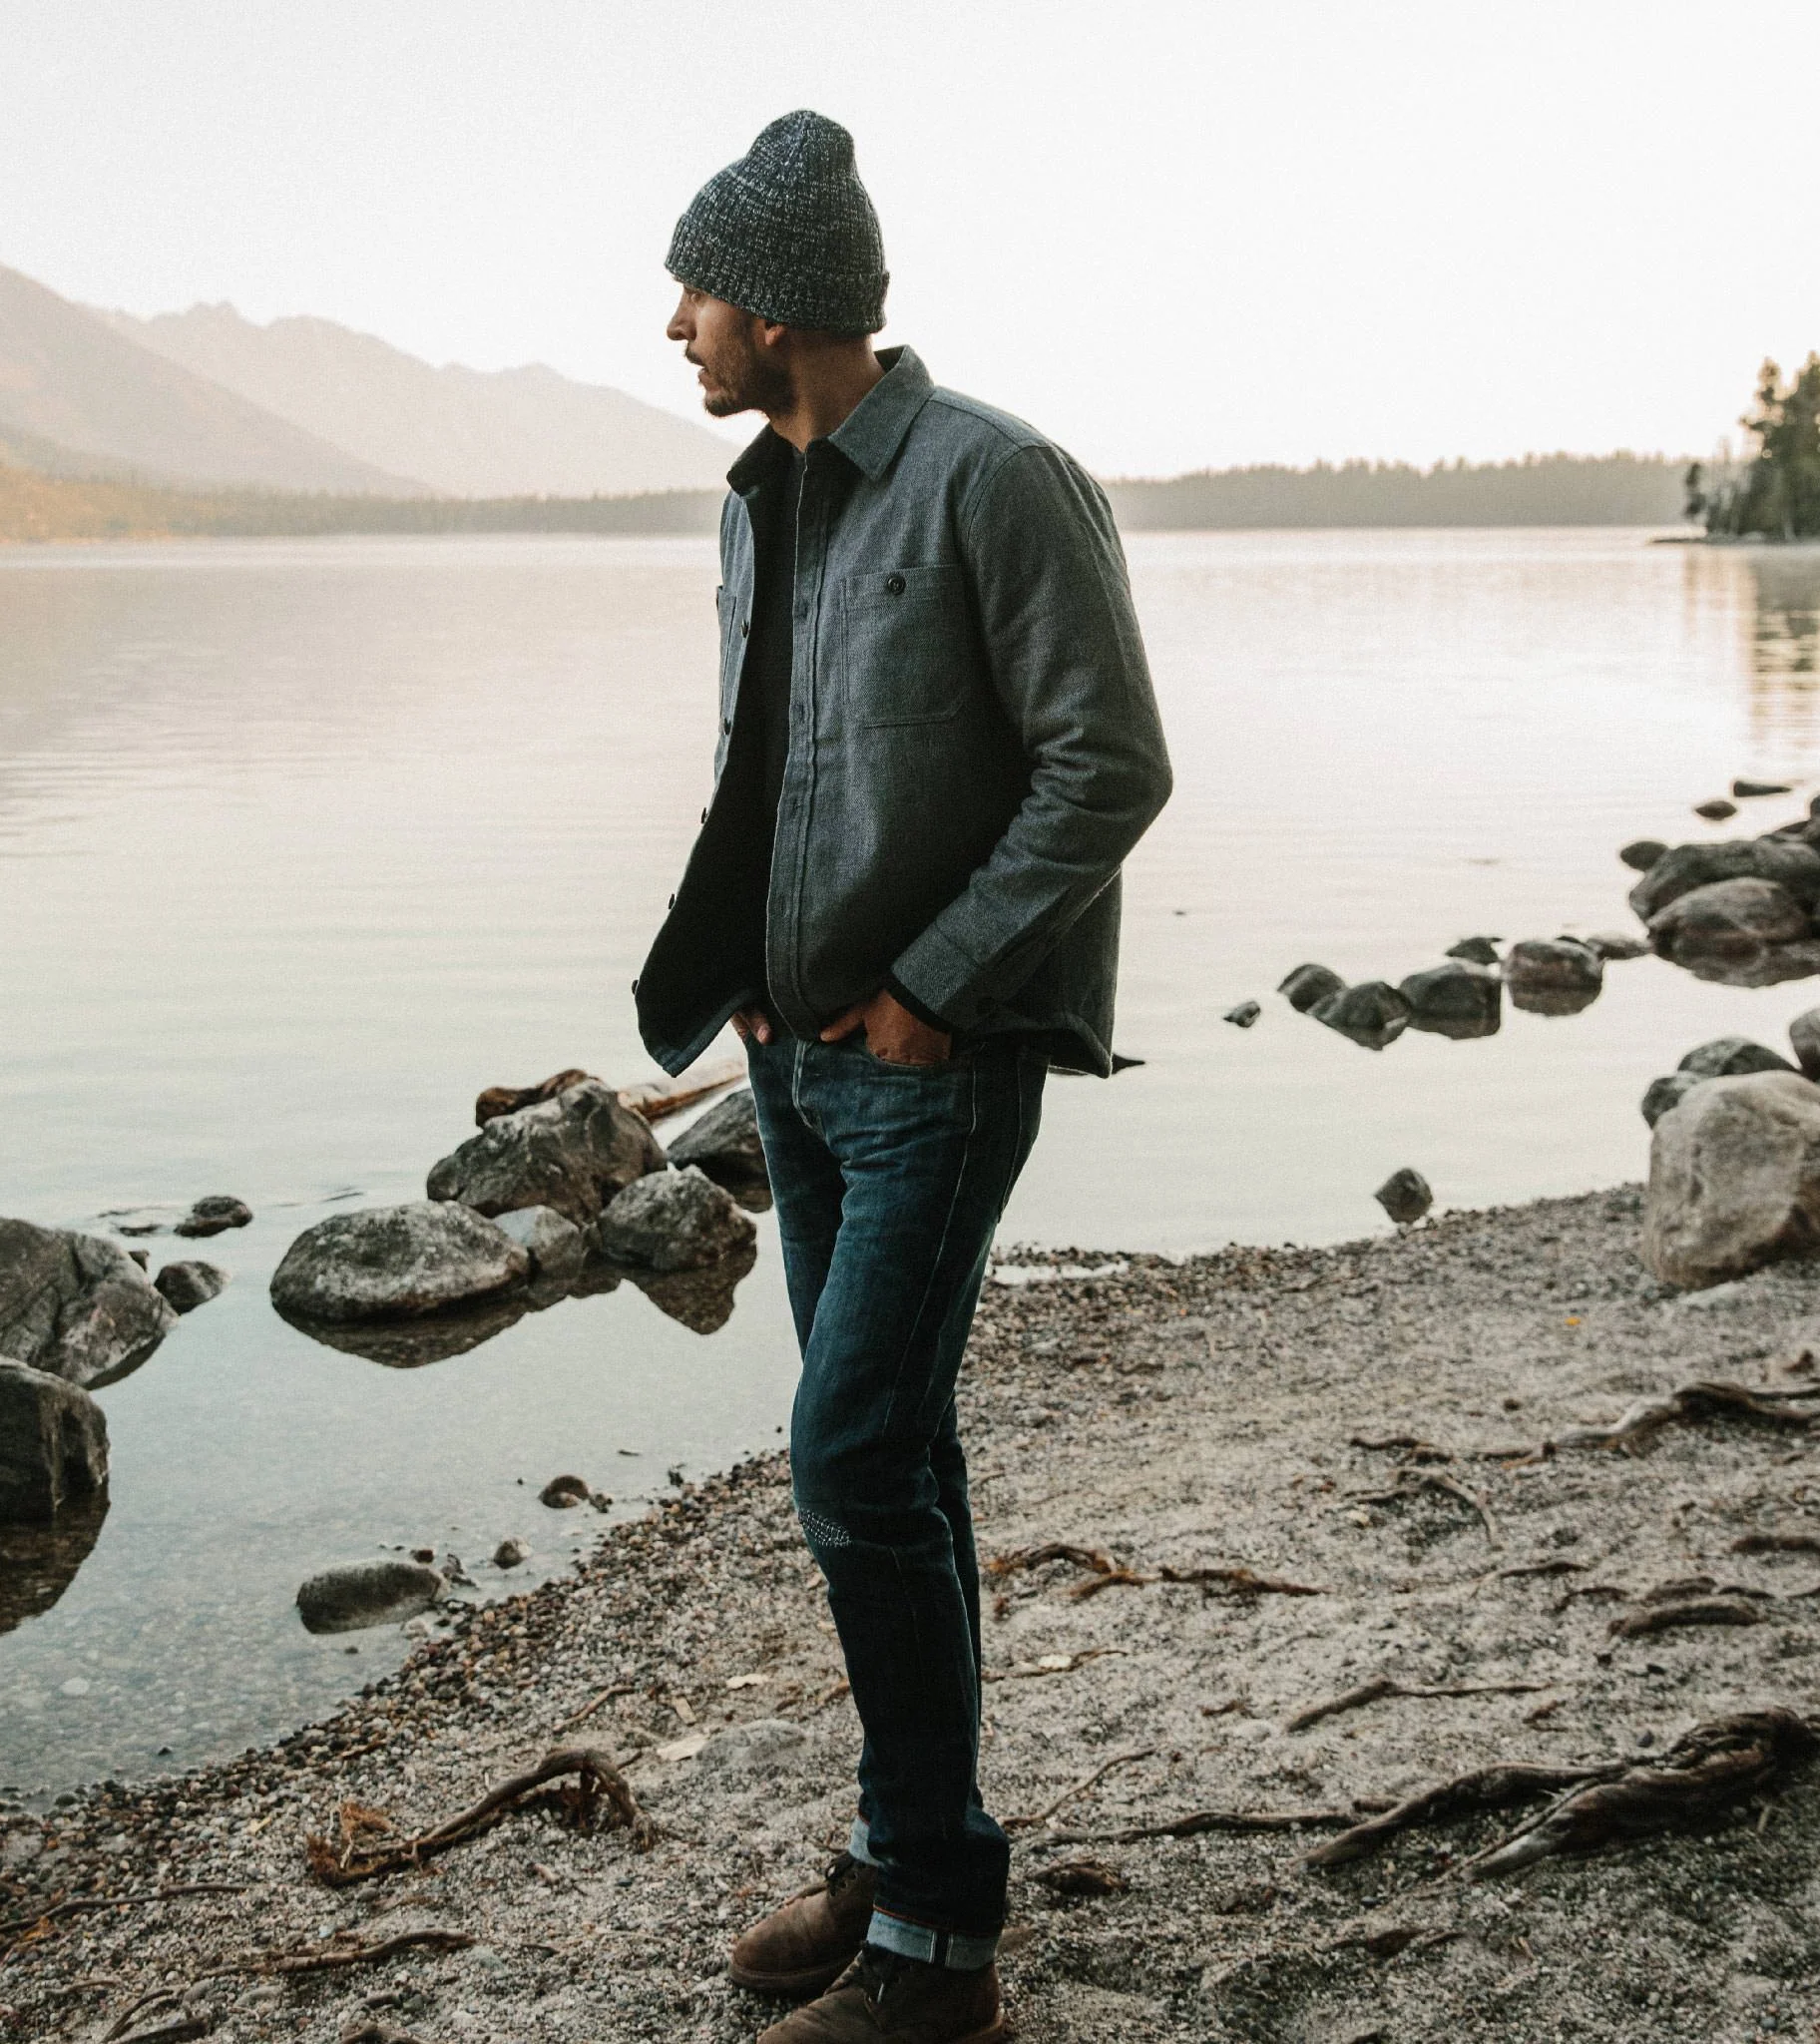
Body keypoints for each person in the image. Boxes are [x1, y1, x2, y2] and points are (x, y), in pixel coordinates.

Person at [635, 109, 1171, 2044]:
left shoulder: (996, 481)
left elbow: (1105, 766)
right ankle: (906, 1834)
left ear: (778, 303)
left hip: (929, 1072)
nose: (673, 323)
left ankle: (940, 1948)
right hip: (794, 1070)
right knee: (904, 1461)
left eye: (694, 287)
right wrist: (746, 995)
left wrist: (936, 987)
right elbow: (772, 768)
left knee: (850, 1460)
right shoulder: (751, 499)